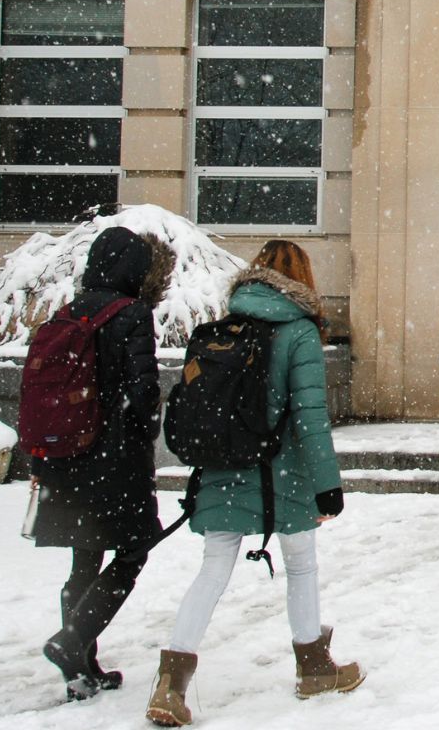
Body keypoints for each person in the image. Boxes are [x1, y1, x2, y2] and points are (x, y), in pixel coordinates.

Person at [146, 240, 361, 727]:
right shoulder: (299, 331)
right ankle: (314, 667)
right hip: (280, 471)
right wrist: (327, 485)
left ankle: (171, 682)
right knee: (301, 564)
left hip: (222, 464)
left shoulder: (225, 327)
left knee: (213, 568)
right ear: (302, 278)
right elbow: (309, 416)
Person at [33, 228, 169, 701]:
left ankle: (82, 666)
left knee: (83, 557)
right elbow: (143, 390)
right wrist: (145, 431)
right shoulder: (132, 313)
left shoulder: (69, 312)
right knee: (134, 548)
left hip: (64, 455)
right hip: (113, 458)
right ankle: (72, 642)